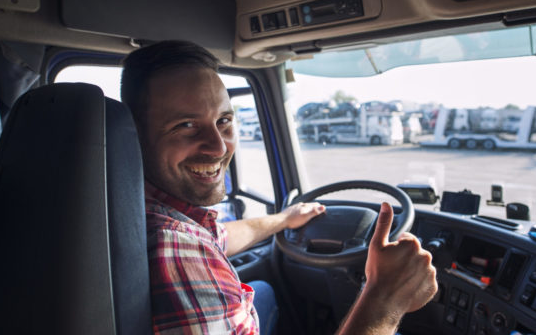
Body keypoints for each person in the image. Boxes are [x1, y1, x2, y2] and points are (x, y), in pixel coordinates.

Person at [121, 40, 437, 335]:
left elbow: (220, 237)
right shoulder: (177, 251)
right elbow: (190, 246)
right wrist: (384, 297)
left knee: (265, 292)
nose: (219, 147)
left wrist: (284, 219)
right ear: (133, 135)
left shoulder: (141, 209)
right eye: (186, 125)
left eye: (224, 120)